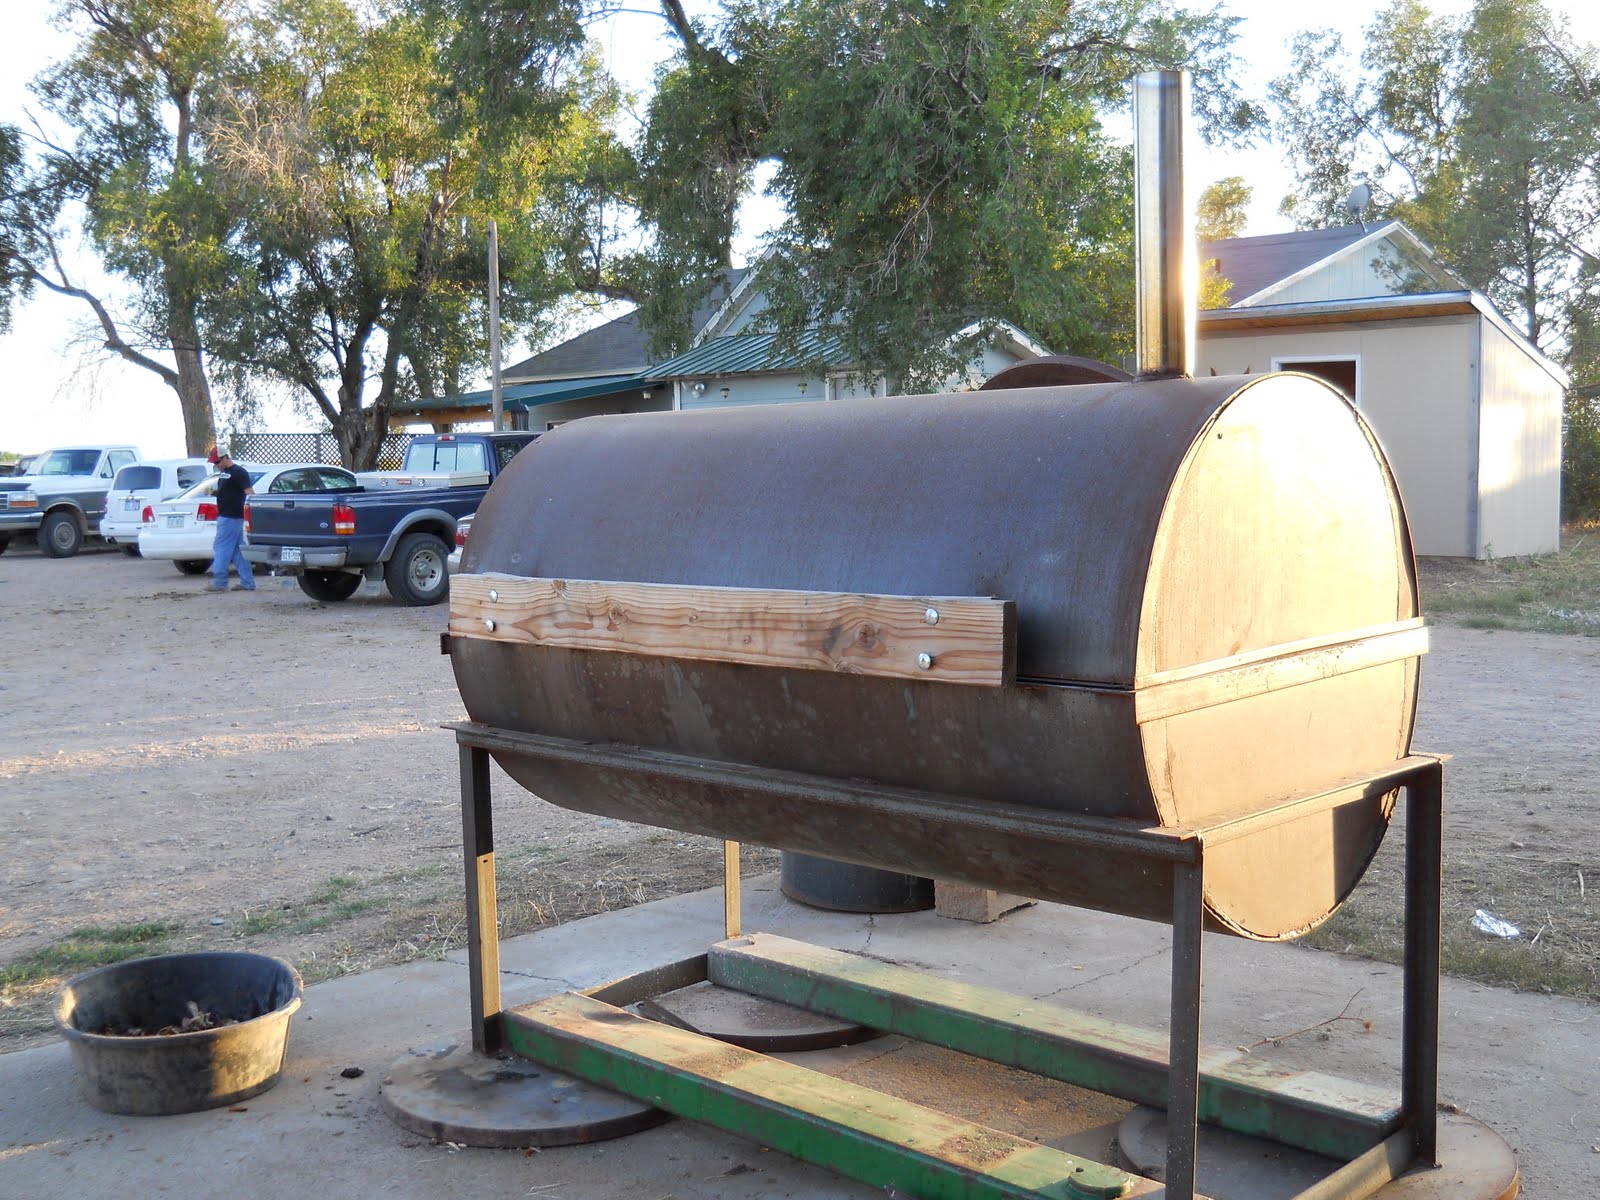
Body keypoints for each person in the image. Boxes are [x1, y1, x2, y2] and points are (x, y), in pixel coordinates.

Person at [207, 446, 256, 592]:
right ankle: (248, 583)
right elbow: (228, 492)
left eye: (217, 462)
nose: (216, 465)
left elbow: (250, 493)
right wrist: (215, 493)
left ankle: (219, 582)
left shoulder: (239, 472)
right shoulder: (224, 473)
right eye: (214, 463)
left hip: (231, 517)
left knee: (221, 547)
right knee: (238, 551)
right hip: (227, 516)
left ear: (225, 457)